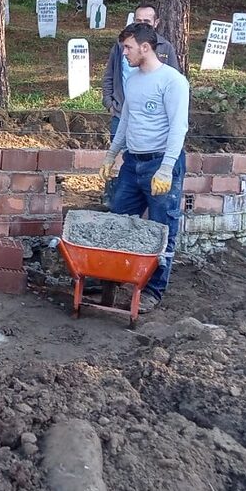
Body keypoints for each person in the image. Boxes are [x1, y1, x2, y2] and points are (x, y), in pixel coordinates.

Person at [99, 22, 189, 313]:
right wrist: (112, 154)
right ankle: (116, 277)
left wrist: (166, 169)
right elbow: (126, 118)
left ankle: (153, 290)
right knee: (119, 221)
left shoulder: (172, 81)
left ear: (145, 47)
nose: (123, 53)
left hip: (160, 163)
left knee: (162, 228)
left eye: (127, 47)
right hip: (133, 163)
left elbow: (178, 128)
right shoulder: (134, 78)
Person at [101, 3, 180, 139]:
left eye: (147, 21)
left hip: (152, 120)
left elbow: (174, 86)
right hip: (120, 115)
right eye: (138, 21)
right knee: (120, 157)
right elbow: (109, 75)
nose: (142, 25)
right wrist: (110, 104)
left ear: (156, 23)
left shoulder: (165, 47)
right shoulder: (121, 46)